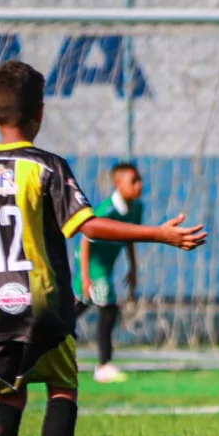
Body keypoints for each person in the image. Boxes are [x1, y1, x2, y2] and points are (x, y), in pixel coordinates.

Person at [0, 60, 207, 436]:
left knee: (10, 396)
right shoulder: (47, 167)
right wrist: (158, 233)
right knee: (62, 392)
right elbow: (86, 225)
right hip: (46, 303)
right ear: (41, 113)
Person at [73, 162, 145, 383]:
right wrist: (85, 276)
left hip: (106, 266)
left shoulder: (136, 208)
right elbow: (85, 240)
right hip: (93, 265)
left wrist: (133, 268)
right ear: (117, 183)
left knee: (75, 310)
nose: (139, 185)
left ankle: (42, 345)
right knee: (109, 309)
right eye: (133, 181)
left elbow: (130, 237)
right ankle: (104, 366)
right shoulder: (107, 210)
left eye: (139, 180)